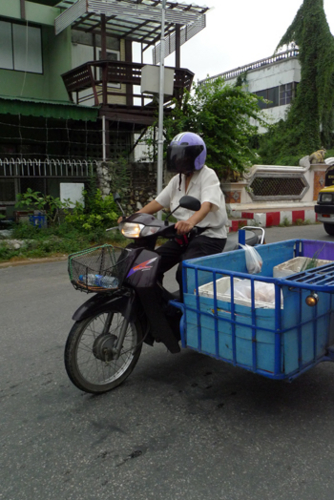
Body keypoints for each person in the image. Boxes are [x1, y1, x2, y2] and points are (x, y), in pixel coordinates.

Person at [128, 132, 228, 297]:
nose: (178, 160)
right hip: (184, 236)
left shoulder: (207, 175)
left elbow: (207, 205)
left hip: (209, 236)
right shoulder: (177, 180)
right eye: (177, 156)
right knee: (149, 264)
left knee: (184, 271)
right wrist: (131, 218)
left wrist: (190, 222)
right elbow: (158, 203)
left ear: (196, 156)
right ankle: (156, 305)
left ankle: (188, 312)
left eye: (184, 157)